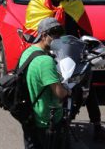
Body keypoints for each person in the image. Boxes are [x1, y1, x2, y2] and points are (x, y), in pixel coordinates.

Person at [24, 0, 105, 144]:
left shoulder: (73, 2)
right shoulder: (38, 1)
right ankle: (32, 120)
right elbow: (32, 29)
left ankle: (97, 127)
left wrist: (90, 44)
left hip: (71, 52)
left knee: (88, 87)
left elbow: (85, 28)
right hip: (49, 53)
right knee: (34, 84)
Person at [19, 17, 69, 148]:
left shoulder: (28, 52)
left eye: (59, 36)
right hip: (45, 121)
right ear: (43, 35)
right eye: (54, 35)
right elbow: (60, 93)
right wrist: (67, 89)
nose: (57, 39)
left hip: (29, 116)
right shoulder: (46, 61)